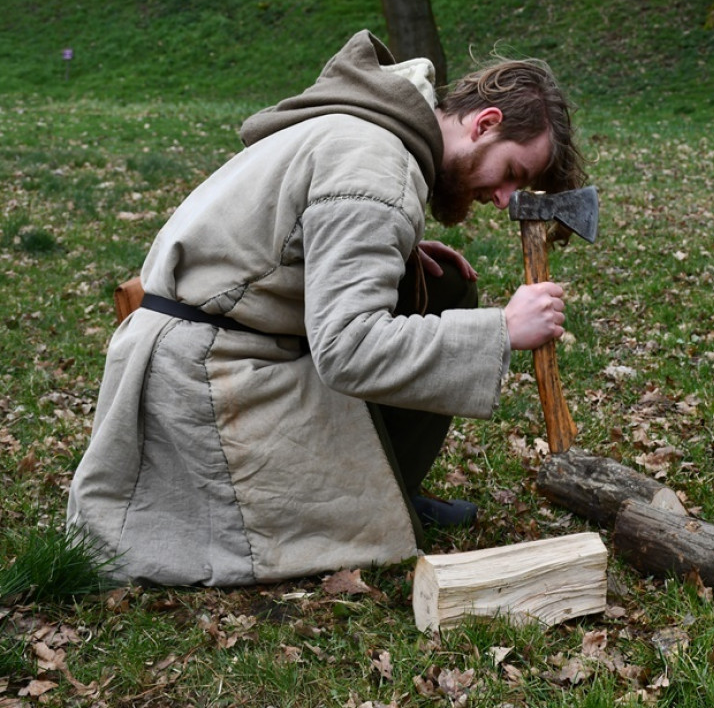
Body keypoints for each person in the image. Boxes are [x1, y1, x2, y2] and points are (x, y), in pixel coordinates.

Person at [66, 30, 587, 587]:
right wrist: (502, 330)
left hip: (220, 337)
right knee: (423, 321)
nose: (504, 199)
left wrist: (394, 253)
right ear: (484, 124)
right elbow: (349, 349)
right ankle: (369, 501)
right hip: (201, 382)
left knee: (446, 287)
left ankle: (394, 484)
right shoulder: (377, 167)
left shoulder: (371, 126)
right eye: (511, 174)